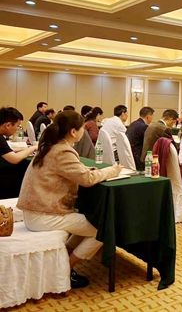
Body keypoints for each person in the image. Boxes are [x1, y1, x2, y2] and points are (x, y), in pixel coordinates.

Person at [17, 110, 121, 289]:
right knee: (103, 230)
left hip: (36, 212)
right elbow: (87, 179)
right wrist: (113, 171)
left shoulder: (51, 146)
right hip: (44, 215)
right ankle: (65, 268)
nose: (84, 132)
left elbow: (76, 172)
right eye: (82, 128)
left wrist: (90, 171)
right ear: (73, 131)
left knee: (86, 223)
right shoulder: (62, 151)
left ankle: (63, 259)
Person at [126, 107, 154, 171]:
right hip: (138, 159)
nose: (152, 118)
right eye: (152, 116)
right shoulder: (143, 127)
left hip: (130, 155)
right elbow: (148, 143)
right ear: (148, 117)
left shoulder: (133, 124)